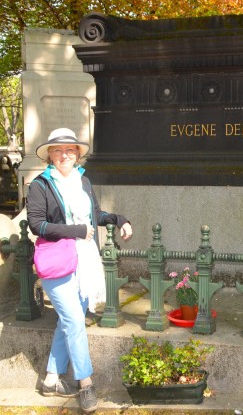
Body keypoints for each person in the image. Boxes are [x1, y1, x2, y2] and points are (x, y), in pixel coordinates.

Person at [27, 128, 133, 413]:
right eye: (58, 150)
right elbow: (37, 225)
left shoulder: (84, 181)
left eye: (70, 150)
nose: (64, 155)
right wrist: (76, 230)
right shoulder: (40, 185)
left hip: (85, 261)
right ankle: (86, 383)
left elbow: (94, 215)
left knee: (67, 320)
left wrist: (118, 218)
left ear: (77, 153)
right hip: (58, 261)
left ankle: (51, 379)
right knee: (74, 319)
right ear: (49, 154)